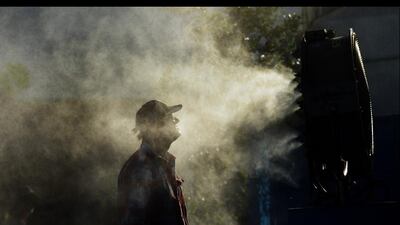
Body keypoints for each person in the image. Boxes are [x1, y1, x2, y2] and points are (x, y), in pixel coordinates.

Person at [117, 100, 189, 225]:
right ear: (155, 127)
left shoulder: (161, 162)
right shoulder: (142, 168)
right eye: (169, 119)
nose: (176, 121)